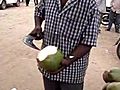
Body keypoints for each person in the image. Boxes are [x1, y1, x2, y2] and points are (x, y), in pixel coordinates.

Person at [28, 0, 100, 90]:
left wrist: (68, 60)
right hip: (48, 67)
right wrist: (37, 26)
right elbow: (39, 10)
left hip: (72, 71)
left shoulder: (90, 4)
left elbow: (89, 40)